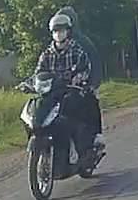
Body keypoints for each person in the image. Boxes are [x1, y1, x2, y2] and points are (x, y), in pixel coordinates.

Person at [35, 13, 99, 156]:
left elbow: (84, 69)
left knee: (80, 104)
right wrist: (29, 84)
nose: (58, 34)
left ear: (68, 31)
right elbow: (38, 73)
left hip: (71, 90)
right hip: (52, 92)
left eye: (61, 30)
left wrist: (77, 79)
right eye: (55, 31)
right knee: (38, 107)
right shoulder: (46, 54)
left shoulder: (77, 50)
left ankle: (85, 143)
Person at [55, 6, 104, 150]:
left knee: (91, 102)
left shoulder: (83, 42)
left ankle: (97, 137)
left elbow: (95, 63)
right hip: (62, 87)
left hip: (83, 84)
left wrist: (92, 84)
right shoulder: (56, 44)